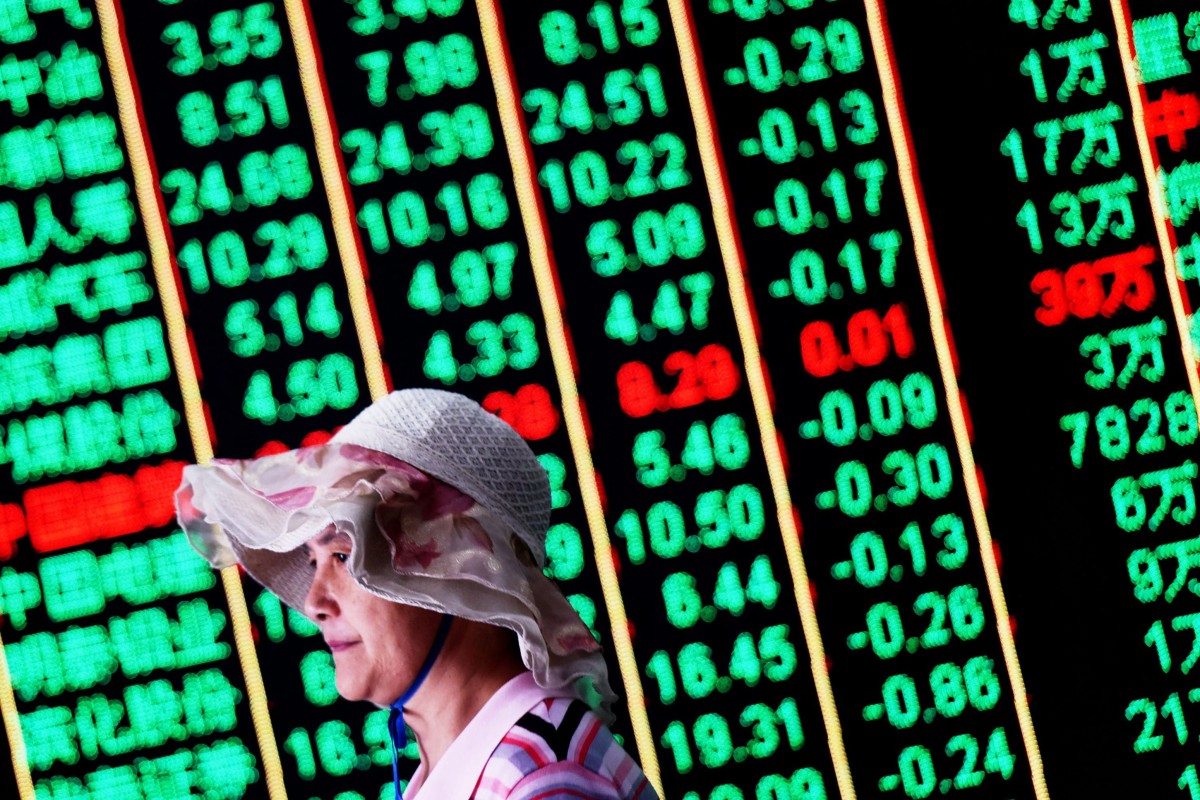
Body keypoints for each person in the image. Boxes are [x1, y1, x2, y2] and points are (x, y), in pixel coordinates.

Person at [175, 388, 659, 800]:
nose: (313, 603)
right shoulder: (486, 764)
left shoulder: (540, 780)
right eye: (311, 562)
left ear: (464, 571)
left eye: (344, 556)